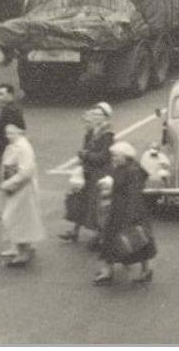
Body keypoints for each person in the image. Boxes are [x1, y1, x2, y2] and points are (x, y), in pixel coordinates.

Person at [94, 141, 157, 285]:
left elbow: (133, 194)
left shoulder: (131, 171)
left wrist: (131, 216)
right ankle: (110, 270)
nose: (113, 158)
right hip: (119, 209)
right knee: (133, 241)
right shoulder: (125, 167)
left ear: (124, 156)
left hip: (127, 211)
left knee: (130, 239)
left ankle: (111, 271)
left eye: (115, 155)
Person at [59, 102, 115, 245]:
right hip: (88, 171)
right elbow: (85, 149)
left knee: (96, 204)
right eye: (94, 113)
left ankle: (100, 235)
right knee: (80, 200)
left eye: (99, 114)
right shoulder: (92, 131)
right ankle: (75, 231)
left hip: (99, 173)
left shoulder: (107, 134)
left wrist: (86, 155)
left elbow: (104, 157)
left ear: (106, 117)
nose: (96, 117)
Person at [0, 123, 45, 267]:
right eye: (7, 133)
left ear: (20, 132)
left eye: (12, 133)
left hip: (22, 189)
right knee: (19, 219)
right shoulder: (13, 145)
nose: (9, 136)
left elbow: (25, 172)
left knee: (15, 219)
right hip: (15, 188)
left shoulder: (23, 147)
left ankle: (23, 253)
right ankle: (20, 248)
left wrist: (8, 183)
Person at [0, 83, 26, 175]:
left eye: (1, 94)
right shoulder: (10, 108)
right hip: (6, 146)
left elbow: (20, 128)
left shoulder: (11, 110)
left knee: (4, 175)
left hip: (6, 147)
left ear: (10, 94)